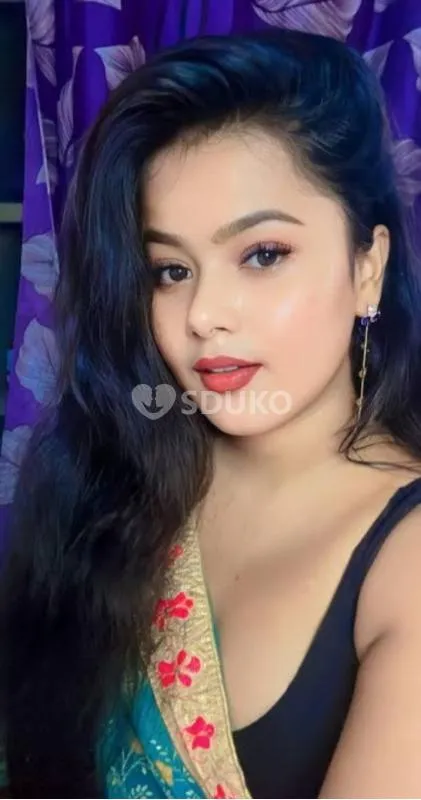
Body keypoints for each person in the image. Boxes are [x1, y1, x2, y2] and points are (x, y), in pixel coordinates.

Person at [2, 27, 421, 799]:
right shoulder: (120, 482)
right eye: (169, 270)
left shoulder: (406, 560)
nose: (202, 314)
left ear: (367, 267)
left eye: (262, 255)